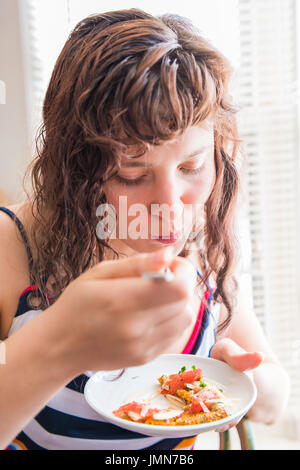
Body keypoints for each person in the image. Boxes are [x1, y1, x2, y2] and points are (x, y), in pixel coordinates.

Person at [0, 8, 289, 450]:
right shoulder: (11, 247)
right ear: (75, 172)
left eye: (192, 167)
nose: (171, 208)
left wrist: (244, 382)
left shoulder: (204, 252)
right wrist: (59, 344)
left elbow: (274, 399)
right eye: (132, 175)